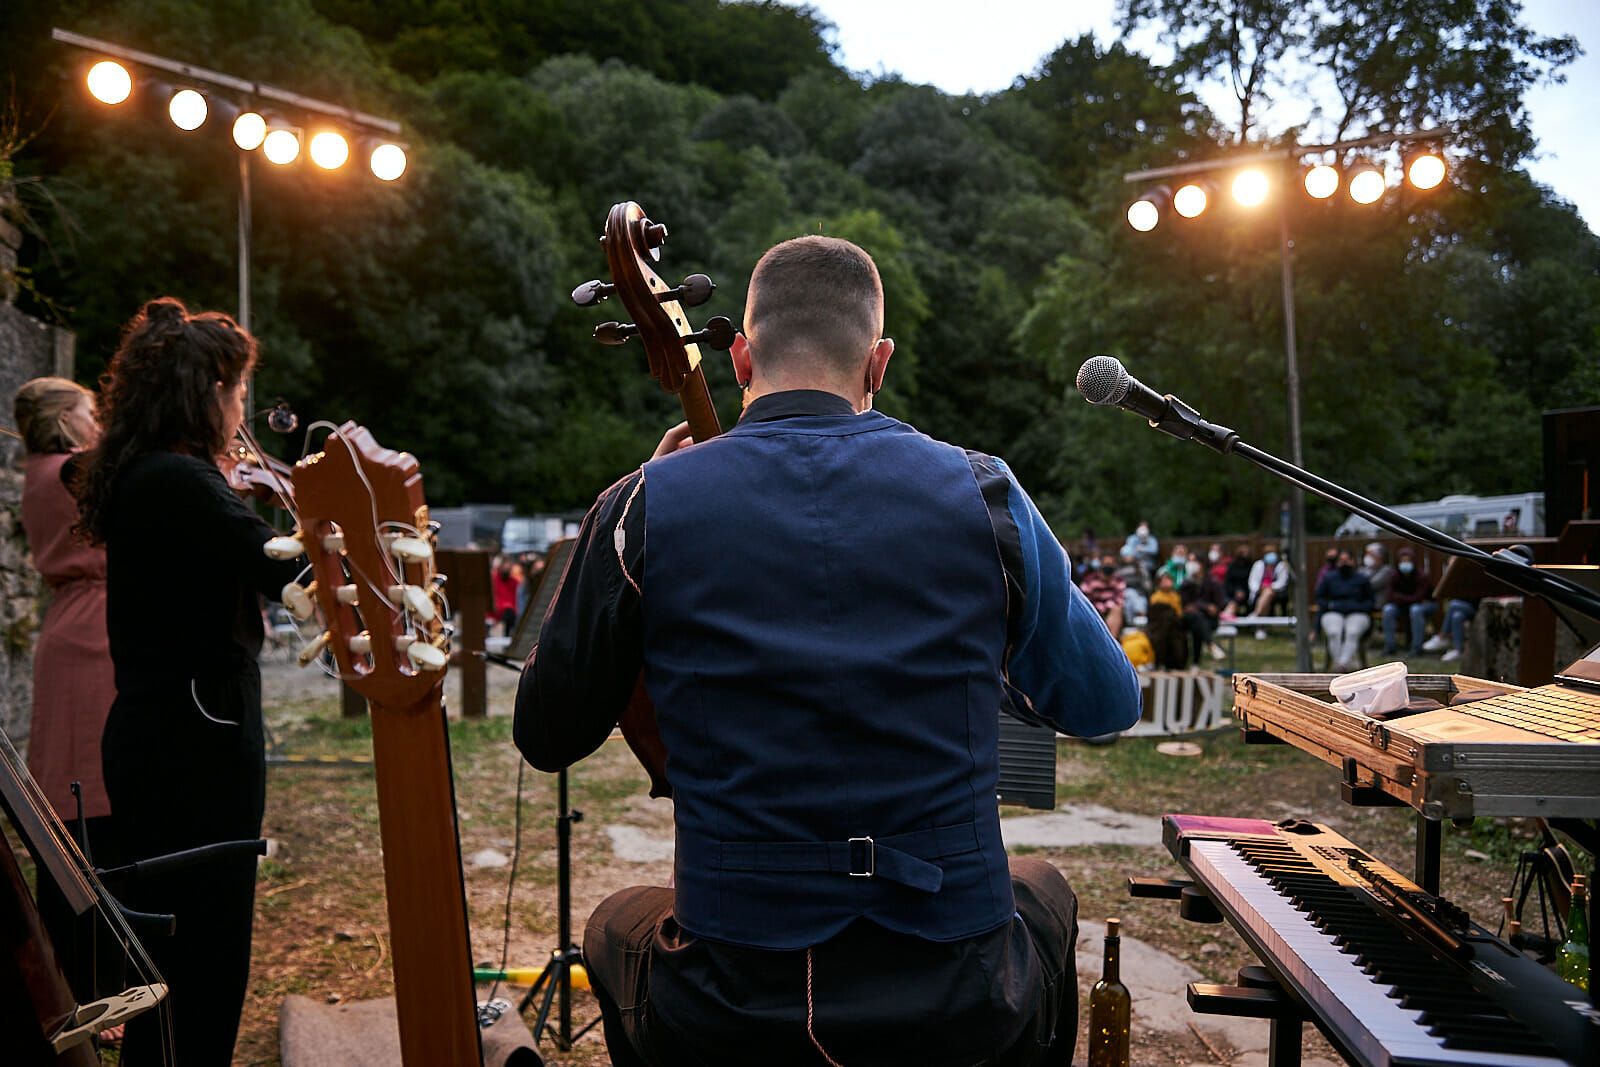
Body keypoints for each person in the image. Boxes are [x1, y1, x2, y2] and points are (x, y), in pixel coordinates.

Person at [515, 235, 1141, 1067]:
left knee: (613, 922)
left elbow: (547, 733)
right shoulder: (986, 491)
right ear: (878, 362)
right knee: (1045, 892)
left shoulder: (643, 504)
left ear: (740, 356)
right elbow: (1107, 704)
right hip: (957, 987)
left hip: (730, 990)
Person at [76, 297, 303, 1065]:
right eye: (238, 390)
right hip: (193, 744)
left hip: (168, 734)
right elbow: (280, 567)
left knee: (179, 968)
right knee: (205, 964)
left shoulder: (154, 471)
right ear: (208, 390)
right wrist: (322, 528)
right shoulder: (178, 479)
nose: (242, 408)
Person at [14, 376, 122, 1003]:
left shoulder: (44, 469)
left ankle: (87, 975)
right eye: (89, 409)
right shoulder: (70, 469)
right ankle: (91, 981)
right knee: (90, 806)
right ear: (63, 416)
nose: (98, 419)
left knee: (76, 801)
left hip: (73, 628)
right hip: (92, 638)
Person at [1315, 549, 1375, 673]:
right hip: (1333, 612)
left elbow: (1370, 601)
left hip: (1357, 613)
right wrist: (1331, 605)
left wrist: (1356, 607)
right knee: (1334, 632)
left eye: (1347, 560)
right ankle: (1340, 665)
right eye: (1341, 560)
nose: (1344, 563)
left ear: (1353, 561)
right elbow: (1320, 598)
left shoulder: (1362, 579)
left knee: (1352, 632)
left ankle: (1342, 664)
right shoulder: (1329, 578)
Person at [1381, 547, 1435, 655]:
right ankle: (1390, 646)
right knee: (1388, 610)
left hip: (1424, 605)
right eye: (1403, 561)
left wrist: (1400, 598)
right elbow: (1389, 596)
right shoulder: (1394, 575)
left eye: (1408, 561)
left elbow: (1419, 597)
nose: (1405, 564)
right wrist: (1405, 599)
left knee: (1415, 610)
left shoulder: (1421, 576)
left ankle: (1416, 647)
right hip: (1402, 605)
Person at [1180, 561, 1227, 663]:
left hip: (1209, 620)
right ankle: (1211, 645)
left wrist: (1212, 609)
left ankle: (1196, 663)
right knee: (1196, 619)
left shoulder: (1212, 582)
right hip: (1191, 619)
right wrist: (1205, 607)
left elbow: (1219, 604)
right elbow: (1186, 605)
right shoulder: (1186, 584)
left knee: (1198, 624)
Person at [1079, 553, 1128, 638]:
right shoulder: (1089, 580)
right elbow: (1083, 600)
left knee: (1117, 609)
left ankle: (1112, 641)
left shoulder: (1119, 581)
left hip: (1110, 613)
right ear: (1101, 564)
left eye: (1111, 564)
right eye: (1106, 564)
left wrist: (1105, 607)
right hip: (1093, 611)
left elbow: (1119, 600)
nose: (1108, 567)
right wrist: (1098, 609)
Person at [1248, 543, 1290, 635]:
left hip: (1277, 592)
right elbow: (1252, 582)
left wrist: (1269, 587)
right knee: (1266, 596)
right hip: (1260, 592)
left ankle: (1256, 615)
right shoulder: (1258, 565)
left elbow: (1282, 582)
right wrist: (1260, 588)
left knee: (1268, 593)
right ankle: (1261, 627)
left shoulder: (1281, 566)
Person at [1423, 598, 1478, 662]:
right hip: (1465, 608)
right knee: (1457, 616)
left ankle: (1442, 636)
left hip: (1478, 607)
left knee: (1453, 604)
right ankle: (1458, 650)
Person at [1221, 543, 1254, 619]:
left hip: (1248, 592)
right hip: (1232, 593)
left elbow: (1253, 582)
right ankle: (1227, 617)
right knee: (1233, 601)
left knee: (1236, 601)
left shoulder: (1252, 566)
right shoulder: (1232, 566)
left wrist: (1245, 592)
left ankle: (1227, 617)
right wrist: (1235, 591)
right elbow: (1228, 583)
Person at [492, 555, 521, 636]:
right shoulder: (493, 580)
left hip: (510, 614)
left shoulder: (515, 582)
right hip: (497, 612)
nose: (507, 568)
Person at [1362, 542, 1395, 609]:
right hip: (1364, 603)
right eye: (1367, 554)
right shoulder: (1363, 569)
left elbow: (1371, 585)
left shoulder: (1387, 570)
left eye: (1371, 554)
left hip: (1378, 604)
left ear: (1380, 556)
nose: (1368, 557)